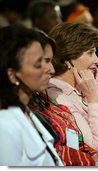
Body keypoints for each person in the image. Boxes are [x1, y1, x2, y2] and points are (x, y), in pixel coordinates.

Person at [46, 22, 98, 152]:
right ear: (68, 58)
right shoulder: (58, 97)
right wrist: (93, 99)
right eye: (90, 53)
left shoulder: (81, 88)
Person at [0, 25, 63, 166]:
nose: (50, 69)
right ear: (12, 75)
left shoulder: (26, 112)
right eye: (38, 63)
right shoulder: (4, 125)